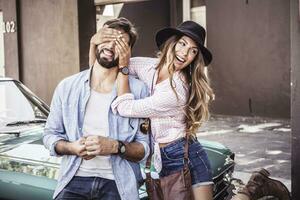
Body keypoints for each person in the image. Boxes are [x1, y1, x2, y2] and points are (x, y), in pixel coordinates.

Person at [89, 20, 291, 200]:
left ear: (195, 58)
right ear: (173, 42)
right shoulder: (146, 67)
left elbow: (124, 107)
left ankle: (252, 190)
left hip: (184, 154)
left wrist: (124, 68)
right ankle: (254, 188)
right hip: (161, 155)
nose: (185, 53)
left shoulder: (177, 89)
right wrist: (94, 44)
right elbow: (99, 72)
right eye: (183, 44)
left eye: (193, 50)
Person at [43, 17, 150, 200]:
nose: (110, 46)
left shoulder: (139, 90)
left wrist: (115, 146)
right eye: (106, 38)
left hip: (118, 184)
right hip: (74, 179)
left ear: (127, 52)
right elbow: (50, 135)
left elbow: (144, 149)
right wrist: (72, 147)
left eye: (119, 43)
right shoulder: (67, 87)